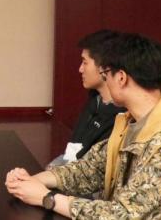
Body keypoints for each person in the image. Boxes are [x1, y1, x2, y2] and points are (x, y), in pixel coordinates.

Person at [5, 33, 161, 218]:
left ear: (121, 78)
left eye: (106, 75)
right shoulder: (132, 122)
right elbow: (90, 170)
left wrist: (47, 198)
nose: (105, 81)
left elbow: (125, 215)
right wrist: (31, 181)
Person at [48, 30, 125, 168]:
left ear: (104, 68)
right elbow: (72, 151)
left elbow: (93, 170)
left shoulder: (121, 116)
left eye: (85, 62)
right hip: (69, 167)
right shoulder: (94, 101)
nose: (80, 69)